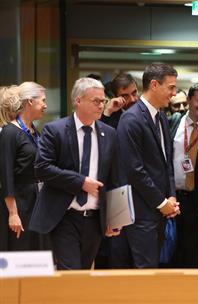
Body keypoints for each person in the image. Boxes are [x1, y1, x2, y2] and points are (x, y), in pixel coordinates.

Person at [29, 77, 119, 270]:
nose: (101, 105)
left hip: (94, 219)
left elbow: (114, 177)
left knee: (84, 276)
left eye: (103, 101)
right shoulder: (56, 130)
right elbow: (42, 167)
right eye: (96, 101)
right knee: (71, 274)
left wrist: (113, 217)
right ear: (78, 101)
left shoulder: (109, 133)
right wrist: (80, 182)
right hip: (64, 216)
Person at [112, 63, 180, 268]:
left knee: (153, 270)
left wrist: (171, 196)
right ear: (154, 85)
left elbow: (167, 162)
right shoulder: (131, 119)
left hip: (158, 210)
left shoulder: (160, 116)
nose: (174, 93)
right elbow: (134, 170)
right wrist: (161, 202)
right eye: (171, 87)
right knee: (144, 271)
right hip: (140, 211)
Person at [0, 83, 47, 251]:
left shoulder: (35, 131)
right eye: (42, 100)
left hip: (36, 202)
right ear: (30, 102)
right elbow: (6, 176)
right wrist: (13, 213)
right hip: (19, 205)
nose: (45, 105)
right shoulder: (10, 132)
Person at [170, 82, 198, 268]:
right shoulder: (172, 123)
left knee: (196, 249)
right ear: (189, 101)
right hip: (174, 196)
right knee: (173, 247)